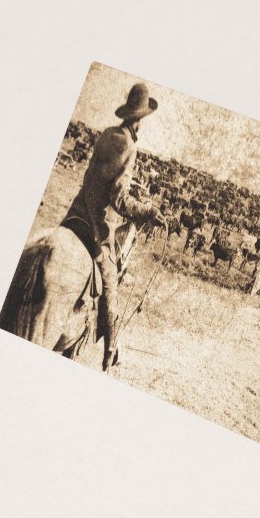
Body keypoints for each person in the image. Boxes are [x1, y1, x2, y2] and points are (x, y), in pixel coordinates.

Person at [62, 83, 165, 370]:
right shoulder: (129, 146)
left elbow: (95, 178)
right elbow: (119, 199)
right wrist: (148, 211)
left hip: (74, 216)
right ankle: (109, 351)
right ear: (140, 119)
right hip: (97, 227)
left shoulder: (107, 134)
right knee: (110, 285)